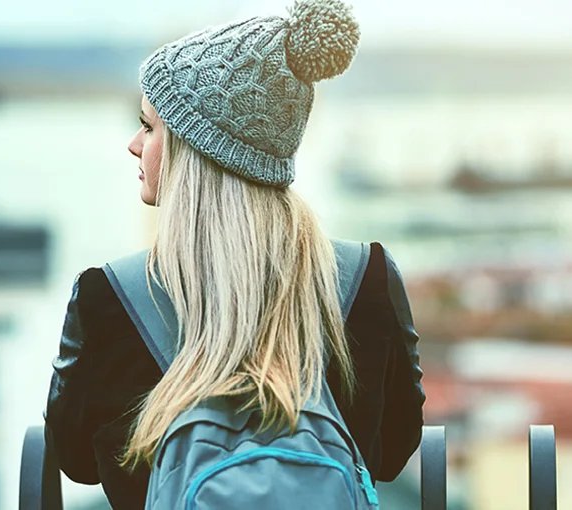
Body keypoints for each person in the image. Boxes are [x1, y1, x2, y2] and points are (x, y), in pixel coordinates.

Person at [42, 0, 425, 507]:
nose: (135, 145)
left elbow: (73, 458)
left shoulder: (108, 297)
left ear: (195, 151)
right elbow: (395, 448)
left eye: (150, 126)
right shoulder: (367, 277)